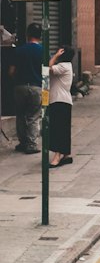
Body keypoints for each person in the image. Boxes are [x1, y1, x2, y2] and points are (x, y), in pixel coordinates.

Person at [10, 24, 43, 154]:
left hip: (20, 86)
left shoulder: (19, 50)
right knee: (33, 116)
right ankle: (32, 144)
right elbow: (47, 69)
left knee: (20, 115)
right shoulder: (43, 50)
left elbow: (12, 71)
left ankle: (22, 142)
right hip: (36, 87)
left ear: (27, 34)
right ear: (40, 36)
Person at [48, 45, 75, 168]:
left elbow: (47, 69)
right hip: (62, 101)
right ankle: (65, 154)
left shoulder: (63, 66)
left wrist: (55, 56)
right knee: (63, 129)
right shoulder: (66, 66)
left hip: (59, 101)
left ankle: (57, 156)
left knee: (58, 129)